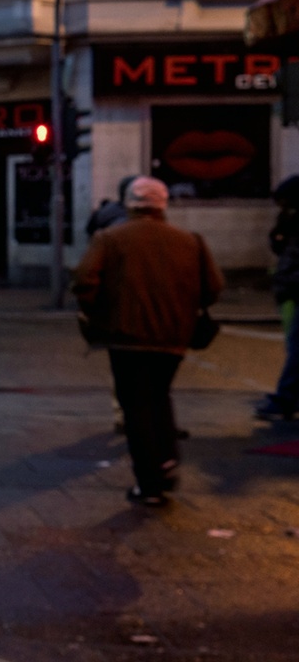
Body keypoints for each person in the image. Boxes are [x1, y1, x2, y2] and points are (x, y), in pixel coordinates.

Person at [72, 176, 223, 506]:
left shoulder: (109, 238)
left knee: (136, 406)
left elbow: (84, 280)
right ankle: (167, 461)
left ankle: (149, 481)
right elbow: (213, 287)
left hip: (126, 337)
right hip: (173, 337)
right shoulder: (190, 241)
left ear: (130, 204)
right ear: (162, 205)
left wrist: (99, 311)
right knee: (159, 396)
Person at [257, 175, 299, 419]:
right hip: (290, 291)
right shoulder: (289, 221)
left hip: (294, 289)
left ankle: (286, 398)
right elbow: (279, 246)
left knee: (297, 347)